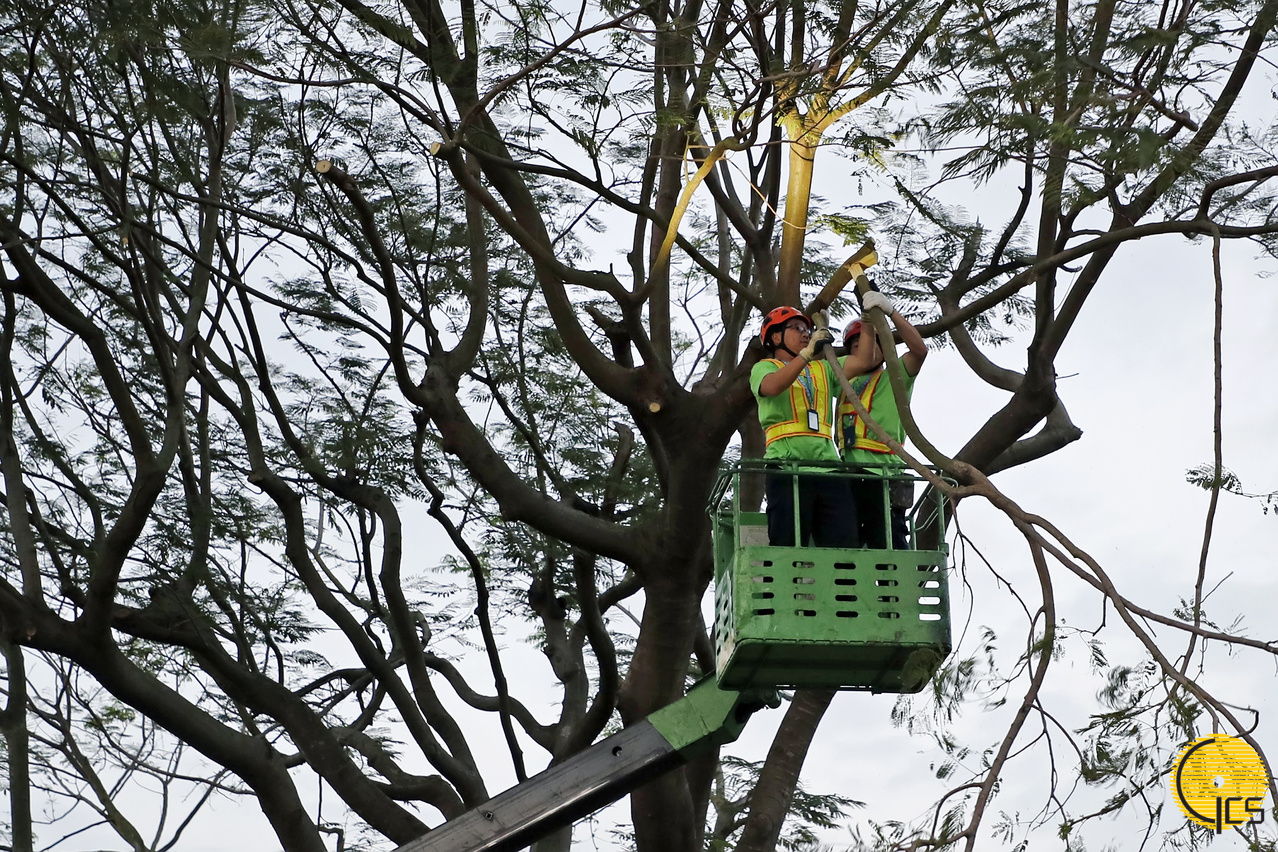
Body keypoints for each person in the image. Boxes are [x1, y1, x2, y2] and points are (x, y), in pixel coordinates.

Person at [751, 306, 877, 548]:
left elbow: (865, 361)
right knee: (787, 544)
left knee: (844, 546)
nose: (805, 333)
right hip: (786, 467)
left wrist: (868, 321)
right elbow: (771, 387)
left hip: (828, 469)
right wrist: (807, 354)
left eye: (807, 329)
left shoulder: (823, 368)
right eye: (796, 328)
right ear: (776, 337)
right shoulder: (764, 367)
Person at [837, 290, 928, 550]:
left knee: (889, 542)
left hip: (884, 474)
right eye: (855, 347)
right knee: (847, 546)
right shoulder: (841, 381)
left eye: (871, 343)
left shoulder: (894, 376)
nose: (864, 350)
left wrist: (890, 312)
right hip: (850, 475)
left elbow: (919, 351)